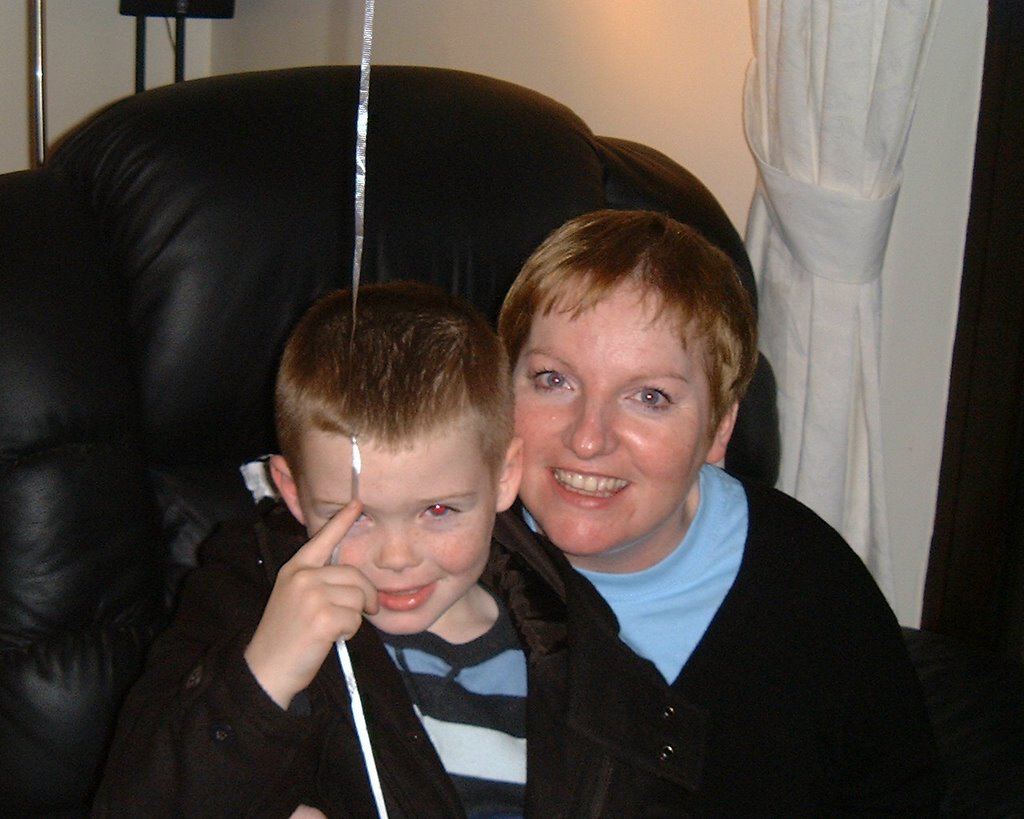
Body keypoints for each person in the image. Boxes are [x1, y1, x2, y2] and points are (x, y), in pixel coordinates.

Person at [492, 209, 944, 815]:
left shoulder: (812, 588)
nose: (589, 438)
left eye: (649, 396)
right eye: (554, 380)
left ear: (719, 429)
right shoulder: (437, 565)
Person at [92, 282, 566, 818]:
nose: (396, 558)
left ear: (505, 475)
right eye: (355, 516)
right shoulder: (241, 603)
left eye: (438, 510)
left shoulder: (559, 624)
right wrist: (264, 673)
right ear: (291, 491)